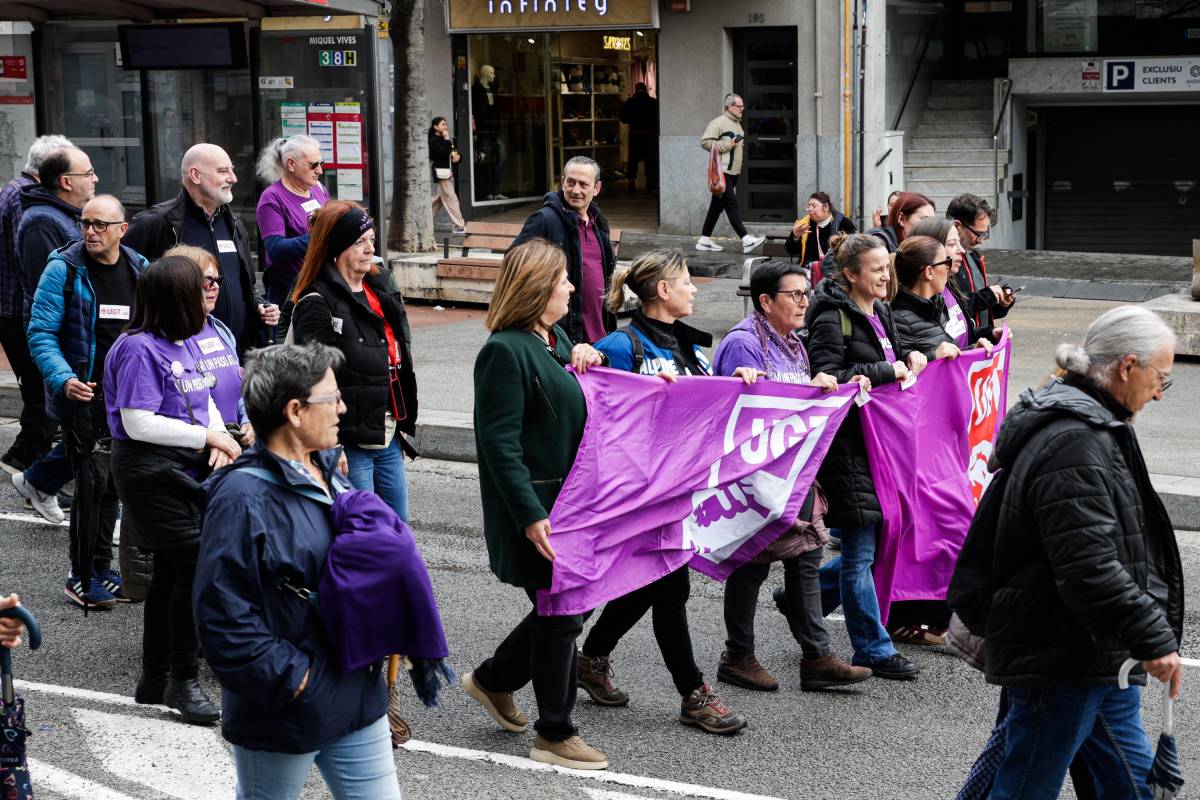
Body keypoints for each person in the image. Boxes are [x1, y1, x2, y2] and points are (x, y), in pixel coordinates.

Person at [949, 306, 1183, 799]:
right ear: (1126, 366)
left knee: (1128, 785)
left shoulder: (1085, 420)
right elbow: (1088, 565)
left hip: (1086, 648)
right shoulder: (1076, 439)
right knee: (1025, 785)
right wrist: (1152, 637)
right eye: (1161, 377)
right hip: (1062, 649)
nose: (1161, 392)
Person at [193, 344, 401, 799]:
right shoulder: (241, 500)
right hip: (286, 705)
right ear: (294, 411)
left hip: (356, 692)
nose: (343, 407)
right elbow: (223, 618)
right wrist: (298, 682)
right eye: (332, 399)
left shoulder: (328, 469)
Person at [576, 248, 747, 734]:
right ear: (663, 291)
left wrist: (739, 383)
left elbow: (708, 407)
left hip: (679, 491)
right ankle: (693, 694)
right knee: (670, 586)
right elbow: (593, 402)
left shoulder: (693, 348)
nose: (695, 289)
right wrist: (583, 354)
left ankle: (589, 657)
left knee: (649, 583)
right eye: (687, 281)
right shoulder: (618, 344)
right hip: (634, 492)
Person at [462, 238, 611, 770]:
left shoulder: (551, 337)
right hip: (539, 511)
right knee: (561, 614)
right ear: (538, 288)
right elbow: (497, 444)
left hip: (571, 507)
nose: (573, 286)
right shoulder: (504, 350)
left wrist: (585, 355)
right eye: (564, 279)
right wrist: (529, 515)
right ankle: (556, 732)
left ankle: (493, 680)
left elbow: (576, 395)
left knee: (566, 610)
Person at [711, 259, 873, 692]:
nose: (805, 301)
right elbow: (731, 413)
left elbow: (791, 400)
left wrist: (819, 386)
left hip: (792, 473)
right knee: (751, 563)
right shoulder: (744, 343)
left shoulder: (793, 342)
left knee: (805, 555)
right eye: (795, 294)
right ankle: (738, 655)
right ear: (765, 301)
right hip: (755, 478)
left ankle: (816, 657)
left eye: (807, 293)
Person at [105, 255, 242, 725]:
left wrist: (222, 439)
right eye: (196, 290)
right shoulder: (138, 348)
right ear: (174, 299)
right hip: (148, 469)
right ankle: (182, 681)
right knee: (194, 564)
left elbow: (204, 401)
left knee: (170, 569)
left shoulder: (187, 340)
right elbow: (137, 421)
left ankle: (154, 679)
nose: (207, 295)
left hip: (186, 461)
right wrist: (207, 438)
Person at [806, 233, 927, 680]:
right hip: (849, 447)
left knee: (873, 545)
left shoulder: (883, 312)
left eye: (886, 267)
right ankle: (873, 648)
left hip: (882, 445)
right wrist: (883, 371)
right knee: (861, 551)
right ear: (850, 274)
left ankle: (808, 596)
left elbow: (891, 364)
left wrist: (915, 355)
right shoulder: (830, 317)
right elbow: (826, 377)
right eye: (876, 269)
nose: (885, 275)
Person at [27, 194, 149, 608]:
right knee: (91, 486)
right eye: (85, 223)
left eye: (100, 224)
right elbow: (41, 333)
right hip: (82, 396)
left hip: (126, 397)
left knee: (114, 483)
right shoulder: (63, 268)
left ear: (121, 229)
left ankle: (100, 565)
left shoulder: (138, 267)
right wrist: (64, 379)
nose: (90, 232)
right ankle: (79, 575)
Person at [287, 201, 417, 523]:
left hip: (386, 433)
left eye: (371, 239)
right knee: (363, 534)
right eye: (359, 242)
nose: (369, 248)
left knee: (397, 530)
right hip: (349, 443)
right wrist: (331, 446)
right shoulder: (317, 302)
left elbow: (399, 351)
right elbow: (314, 379)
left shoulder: (381, 285)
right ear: (337, 248)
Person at [10, 146, 97, 524]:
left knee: (93, 429)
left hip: (85, 336)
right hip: (69, 343)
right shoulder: (43, 223)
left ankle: (37, 480)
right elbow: (54, 291)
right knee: (87, 429)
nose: (95, 179)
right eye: (89, 173)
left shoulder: (70, 216)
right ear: (66, 182)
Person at [125, 143, 278, 353]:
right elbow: (127, 281)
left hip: (234, 353)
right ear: (195, 175)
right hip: (180, 356)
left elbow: (247, 284)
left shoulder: (233, 223)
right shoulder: (158, 222)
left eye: (231, 170)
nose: (233, 178)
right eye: (223, 171)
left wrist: (259, 305)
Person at [0, 134, 73, 475]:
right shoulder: (24, 199)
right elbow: (34, 264)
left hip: (14, 308)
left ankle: (25, 460)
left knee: (36, 392)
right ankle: (29, 467)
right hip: (17, 311)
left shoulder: (17, 190)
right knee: (38, 393)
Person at [512, 156, 617, 346]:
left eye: (583, 184)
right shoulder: (545, 219)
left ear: (597, 188)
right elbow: (514, 262)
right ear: (562, 183)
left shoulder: (599, 223)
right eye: (570, 182)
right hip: (564, 338)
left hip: (600, 337)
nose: (576, 190)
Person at [163, 244, 252, 444]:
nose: (215, 286)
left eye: (217, 279)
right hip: (198, 450)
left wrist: (247, 421)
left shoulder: (221, 329)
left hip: (231, 445)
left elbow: (239, 387)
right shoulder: (172, 337)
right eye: (206, 280)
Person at [254, 135, 330, 326]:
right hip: (290, 291)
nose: (320, 170)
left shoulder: (319, 189)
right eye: (313, 165)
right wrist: (317, 238)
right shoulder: (271, 198)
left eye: (321, 163)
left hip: (322, 283)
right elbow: (275, 248)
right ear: (291, 164)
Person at [890, 235, 993, 363]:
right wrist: (933, 356)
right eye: (946, 262)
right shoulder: (899, 319)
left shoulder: (937, 304)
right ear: (929, 272)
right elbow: (904, 372)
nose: (948, 268)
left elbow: (948, 358)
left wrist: (973, 350)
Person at [696, 94, 765, 254]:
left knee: (716, 207)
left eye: (742, 106)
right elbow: (705, 142)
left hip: (733, 172)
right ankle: (746, 239)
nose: (743, 109)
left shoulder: (736, 123)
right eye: (739, 106)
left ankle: (704, 240)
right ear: (729, 106)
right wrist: (728, 145)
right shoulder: (719, 123)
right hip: (723, 172)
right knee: (731, 205)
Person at [946, 193, 1014, 339]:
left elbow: (981, 310)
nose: (981, 241)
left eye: (985, 234)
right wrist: (986, 296)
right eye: (978, 234)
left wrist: (1000, 302)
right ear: (957, 226)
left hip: (978, 340)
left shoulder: (973, 256)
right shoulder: (941, 263)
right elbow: (951, 310)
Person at [785, 192, 857, 276]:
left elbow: (854, 249)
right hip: (809, 270)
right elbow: (791, 251)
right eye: (809, 206)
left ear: (826, 207)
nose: (809, 209)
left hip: (835, 271)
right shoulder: (804, 224)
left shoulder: (843, 223)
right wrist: (795, 236)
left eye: (814, 206)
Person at [472, 64, 506, 201]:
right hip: (483, 131)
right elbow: (477, 110)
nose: (493, 75)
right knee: (485, 161)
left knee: (501, 157)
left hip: (494, 130)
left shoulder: (493, 89)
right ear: (485, 73)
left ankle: (496, 190)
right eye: (491, 73)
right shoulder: (476, 90)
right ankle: (486, 191)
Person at [618, 83, 658, 193]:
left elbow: (623, 118)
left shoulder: (630, 102)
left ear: (636, 90)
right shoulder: (653, 102)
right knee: (650, 160)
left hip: (635, 135)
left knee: (633, 160)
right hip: (650, 136)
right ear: (645, 90)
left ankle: (631, 183)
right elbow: (658, 120)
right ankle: (650, 185)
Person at [866, 191, 935, 254]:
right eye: (924, 219)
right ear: (902, 219)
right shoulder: (879, 244)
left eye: (932, 221)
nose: (931, 226)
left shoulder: (917, 246)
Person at [428, 117, 465, 232]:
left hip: (448, 173)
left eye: (446, 124)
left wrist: (458, 158)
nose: (445, 127)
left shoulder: (446, 140)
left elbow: (452, 152)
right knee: (451, 199)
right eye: (443, 124)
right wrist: (447, 139)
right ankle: (459, 225)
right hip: (441, 173)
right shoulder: (433, 140)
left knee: (437, 202)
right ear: (435, 126)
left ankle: (422, 222)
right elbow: (442, 152)